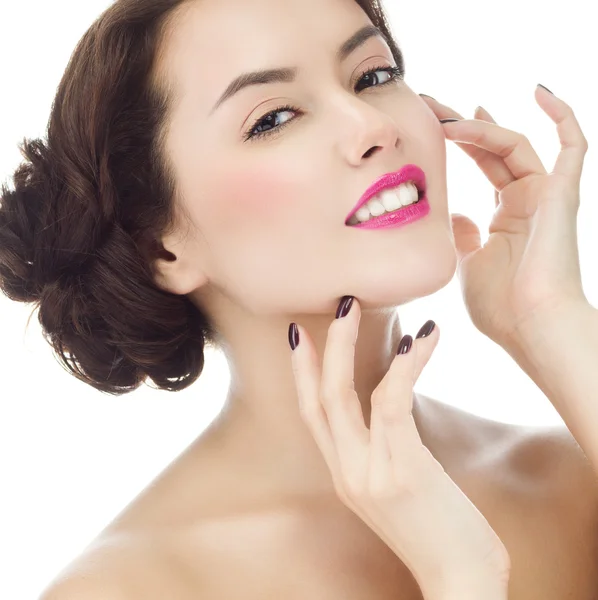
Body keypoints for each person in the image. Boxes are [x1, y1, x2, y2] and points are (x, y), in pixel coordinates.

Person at [0, 0, 596, 598]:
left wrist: (552, 319)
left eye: (374, 76)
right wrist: (463, 579)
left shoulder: (572, 476)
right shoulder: (129, 588)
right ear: (161, 246)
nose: (373, 126)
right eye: (274, 118)